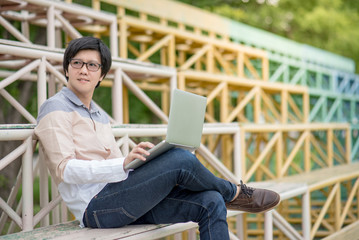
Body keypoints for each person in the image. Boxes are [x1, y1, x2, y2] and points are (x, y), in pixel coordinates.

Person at [35, 36, 280, 240]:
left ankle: (223, 193)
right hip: (96, 210)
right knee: (181, 159)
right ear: (67, 68)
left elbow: (115, 170)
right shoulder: (55, 108)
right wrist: (121, 164)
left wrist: (141, 165)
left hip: (122, 199)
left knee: (211, 201)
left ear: (101, 76)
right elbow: (65, 170)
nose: (84, 70)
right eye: (77, 63)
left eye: (92, 65)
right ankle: (234, 192)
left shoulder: (99, 114)